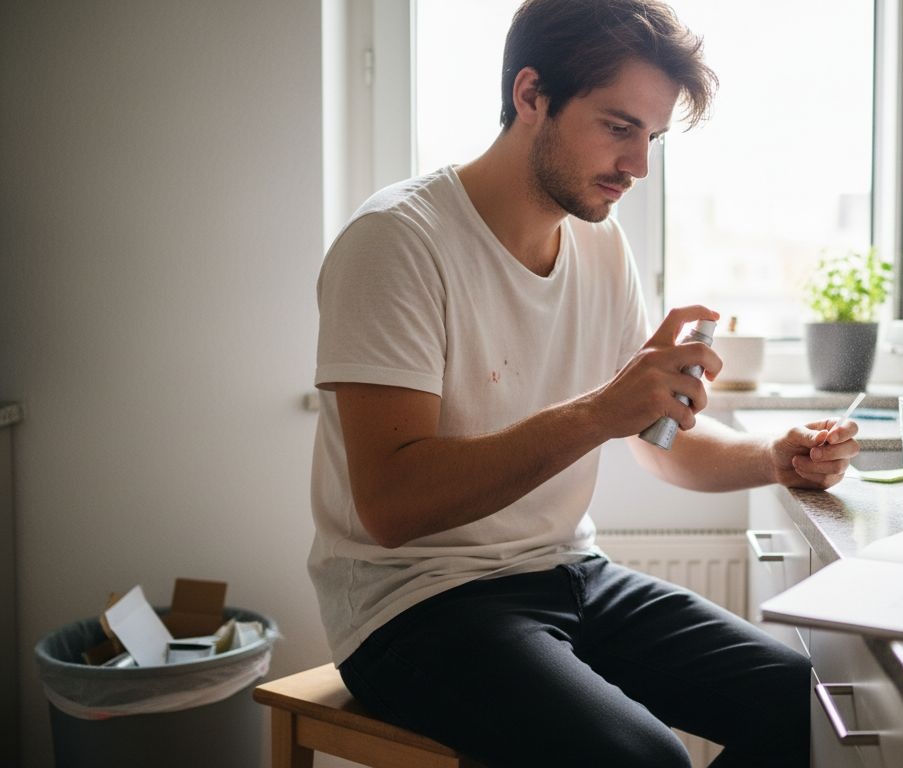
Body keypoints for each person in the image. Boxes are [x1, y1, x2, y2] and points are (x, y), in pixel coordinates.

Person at [309, 1, 860, 765]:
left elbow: (658, 442)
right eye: (618, 127)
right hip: (412, 606)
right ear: (531, 95)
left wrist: (774, 456)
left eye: (652, 138)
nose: (637, 167)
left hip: (568, 574)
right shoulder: (397, 242)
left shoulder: (600, 247)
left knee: (810, 708)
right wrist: (602, 410)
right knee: (648, 760)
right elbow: (391, 508)